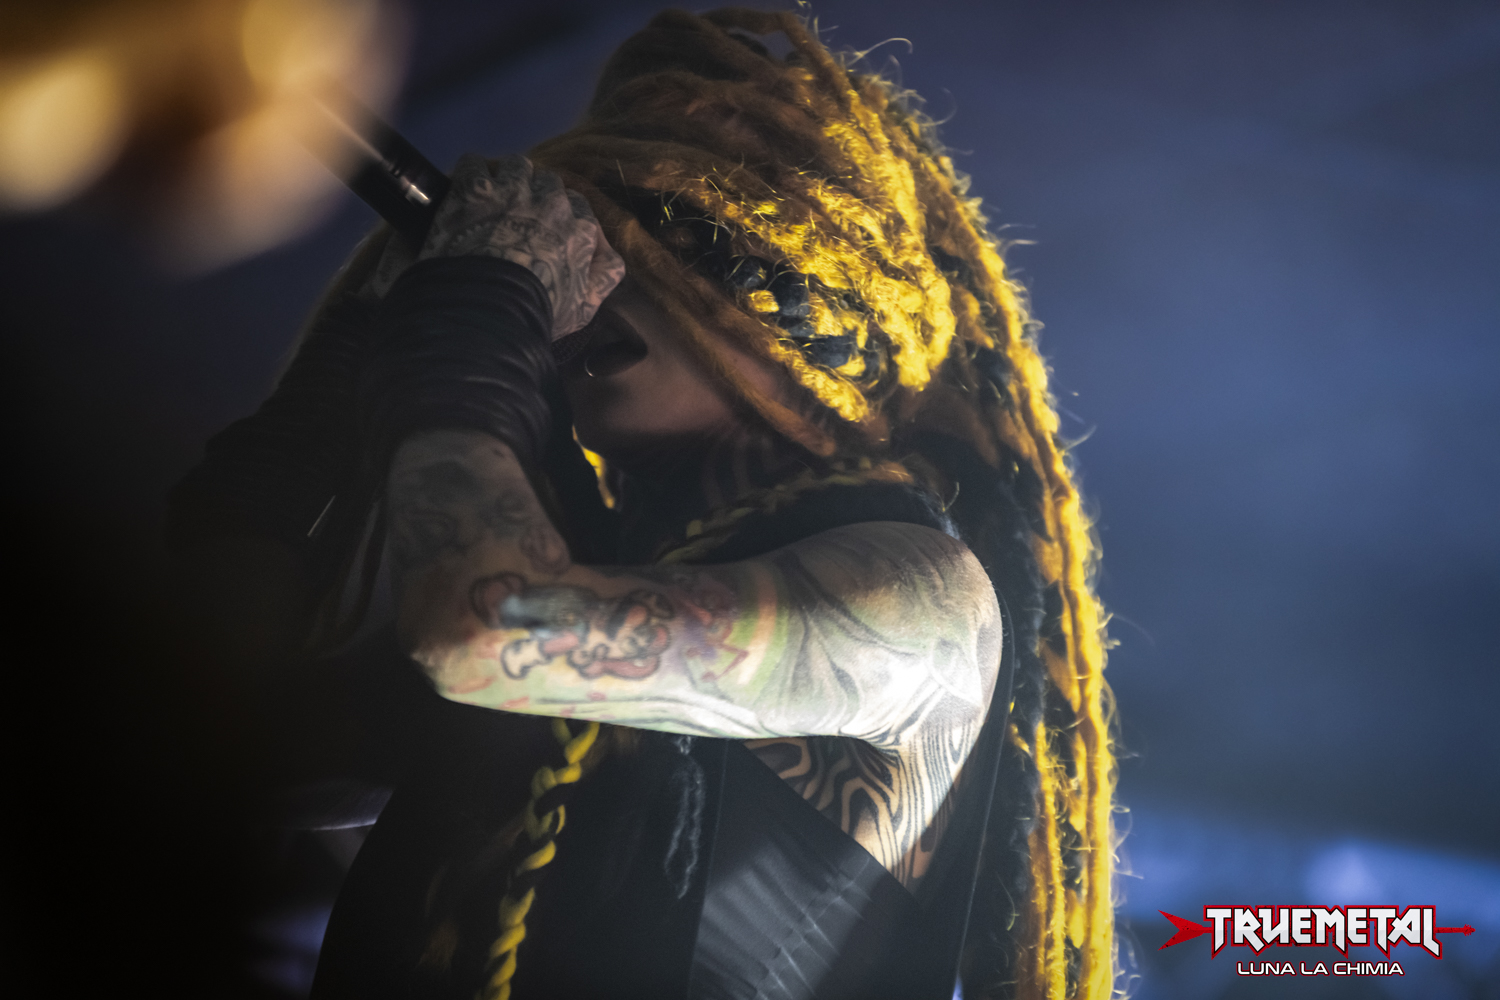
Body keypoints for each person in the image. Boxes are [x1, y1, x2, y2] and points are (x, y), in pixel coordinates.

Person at [169, 9, 1116, 1000]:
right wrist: (324, 397)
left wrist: (473, 303)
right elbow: (220, 746)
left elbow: (484, 629)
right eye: (576, 240)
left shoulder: (921, 593)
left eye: (661, 230)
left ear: (814, 295)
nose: (588, 278)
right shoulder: (600, 563)